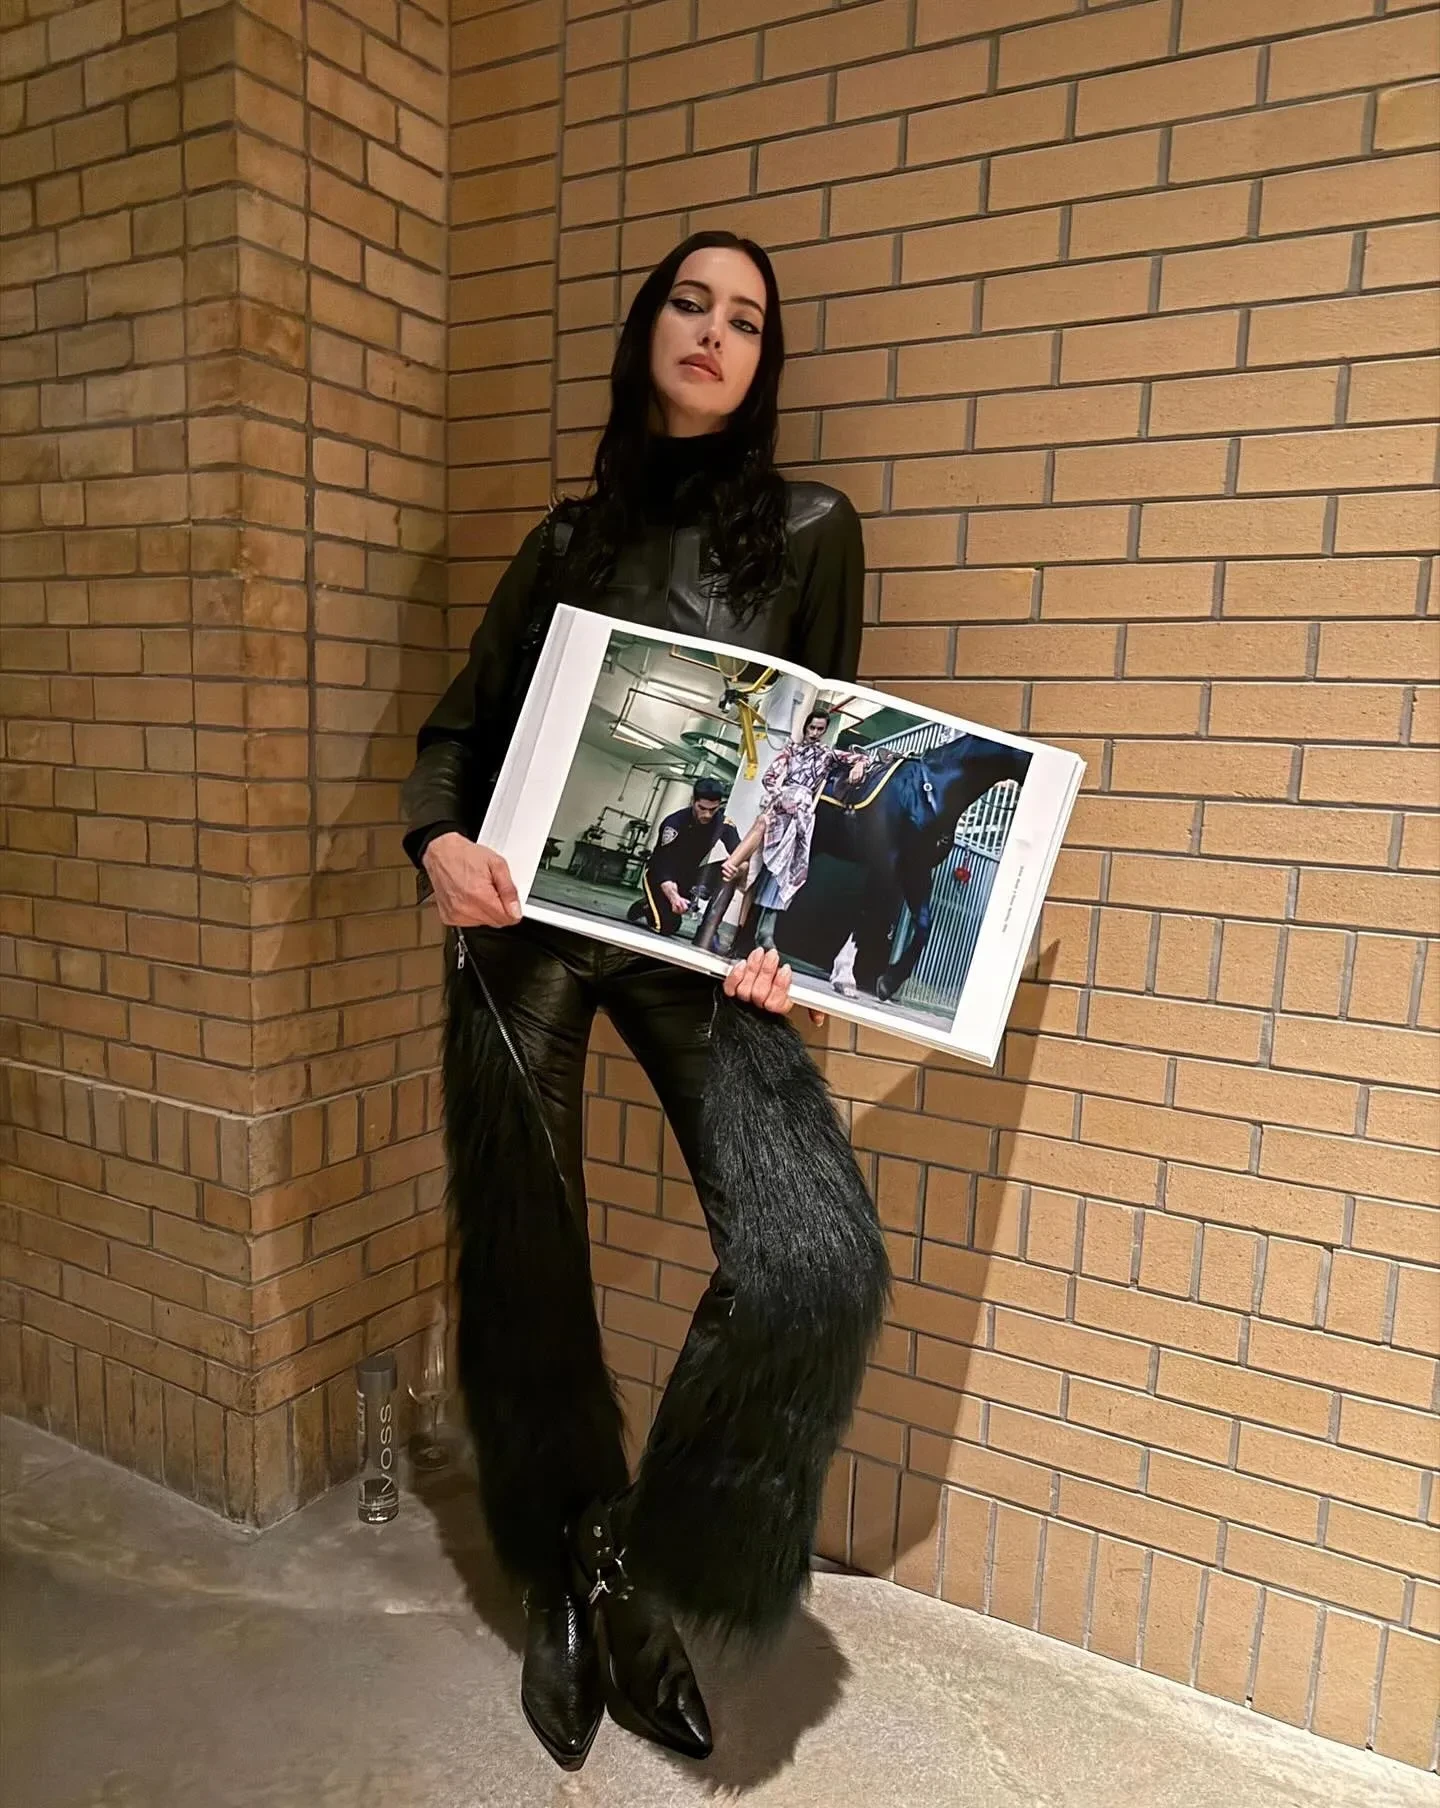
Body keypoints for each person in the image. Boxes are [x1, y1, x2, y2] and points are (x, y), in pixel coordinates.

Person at [401, 230, 890, 1773]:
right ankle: (558, 1573)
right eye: (691, 302)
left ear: (764, 363)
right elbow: (459, 733)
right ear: (647, 332)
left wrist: (787, 944)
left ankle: (622, 1553)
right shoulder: (564, 542)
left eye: (746, 318)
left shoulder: (810, 533)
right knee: (526, 1252)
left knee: (815, 1260)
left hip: (697, 945)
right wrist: (440, 844)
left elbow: (813, 767)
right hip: (529, 927)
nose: (714, 331)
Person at [723, 710, 872, 950]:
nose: (815, 733)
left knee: (784, 873)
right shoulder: (790, 750)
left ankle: (763, 932)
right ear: (806, 727)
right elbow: (769, 778)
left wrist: (860, 765)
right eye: (812, 728)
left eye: (820, 729)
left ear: (825, 731)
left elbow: (861, 757)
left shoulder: (827, 753)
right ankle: (740, 930)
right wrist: (781, 795)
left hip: (801, 816)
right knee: (756, 866)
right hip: (780, 805)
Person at [625, 776, 739, 936]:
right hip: (660, 876)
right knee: (667, 927)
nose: (707, 814)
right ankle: (645, 906)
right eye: (702, 808)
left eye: (713, 810)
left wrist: (737, 869)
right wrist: (673, 897)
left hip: (689, 876)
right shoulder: (674, 823)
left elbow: (739, 851)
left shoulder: (723, 823)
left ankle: (709, 929)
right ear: (693, 801)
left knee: (734, 865)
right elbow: (662, 864)